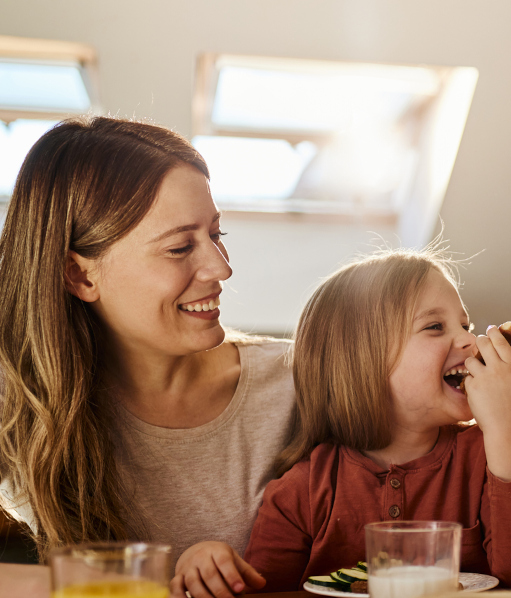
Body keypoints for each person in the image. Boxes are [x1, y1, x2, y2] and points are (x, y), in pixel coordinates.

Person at [0, 117, 296, 598]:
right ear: (79, 276)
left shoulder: (297, 381)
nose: (221, 268)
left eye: (217, 235)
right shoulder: (24, 403)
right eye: (180, 247)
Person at [243, 248, 511, 592]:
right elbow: (262, 592)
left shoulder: (486, 457)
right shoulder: (305, 489)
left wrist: (507, 429)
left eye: (465, 324)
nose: (470, 340)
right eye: (435, 326)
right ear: (362, 361)